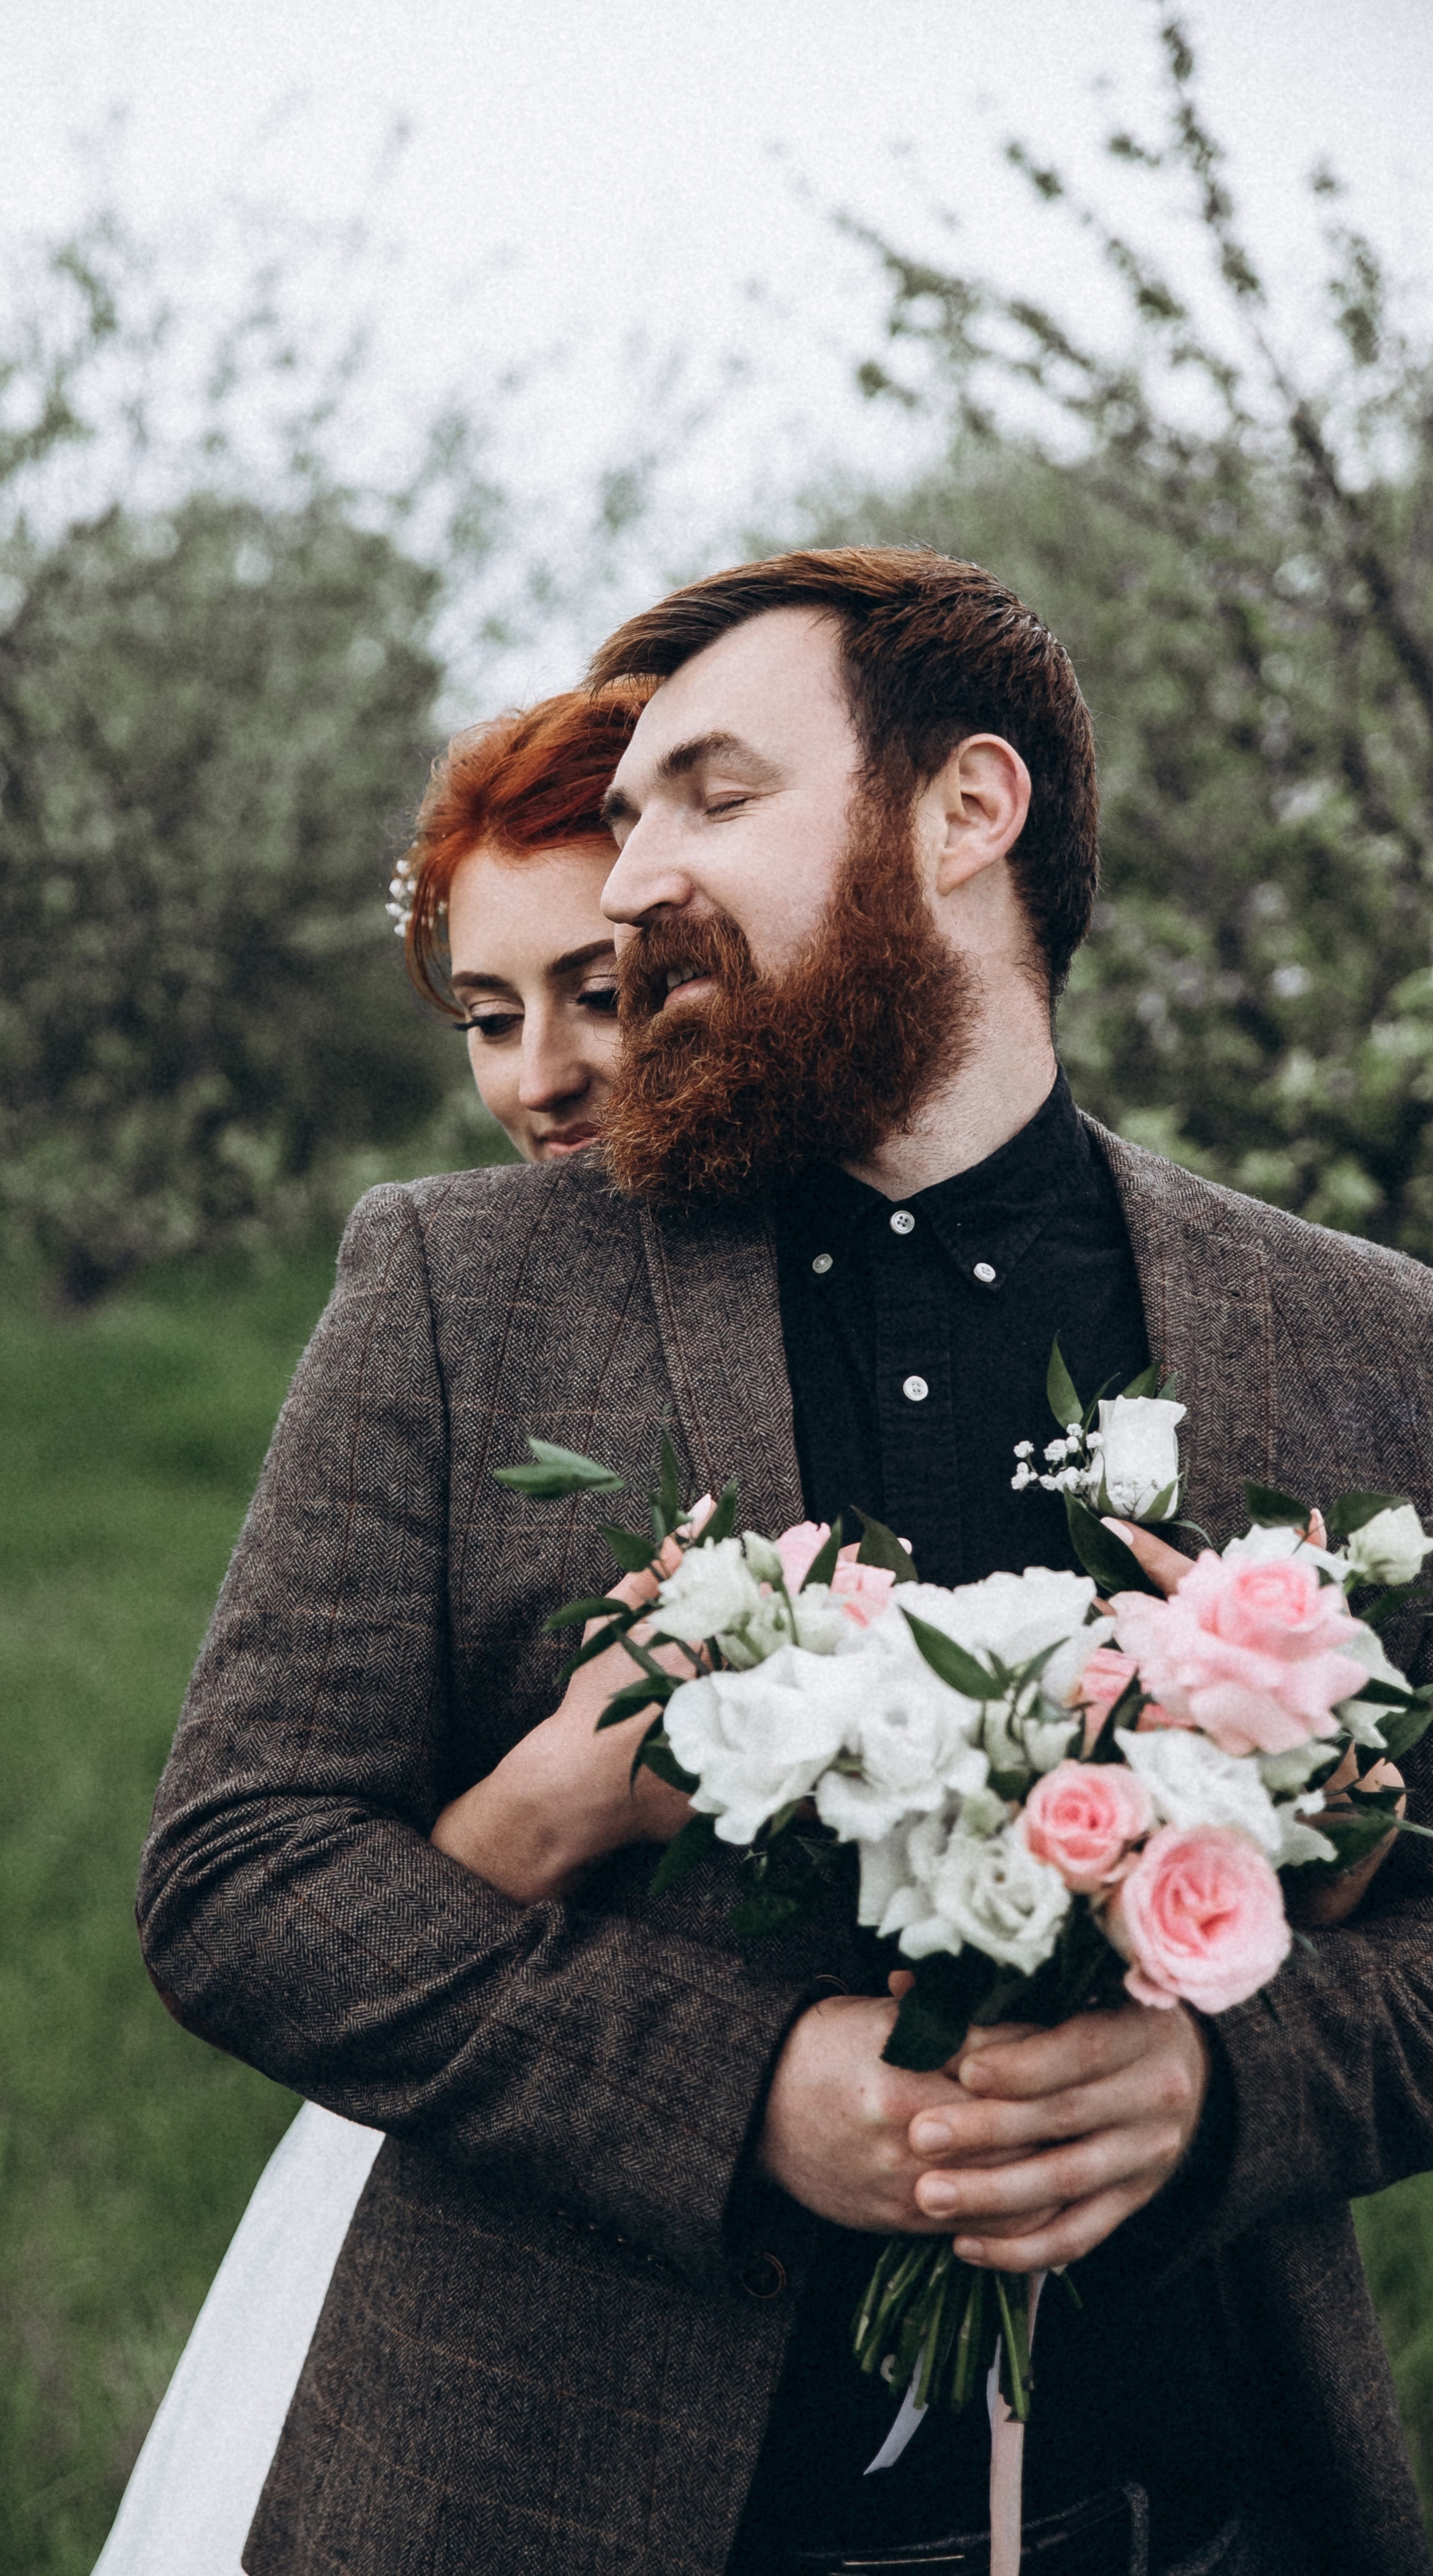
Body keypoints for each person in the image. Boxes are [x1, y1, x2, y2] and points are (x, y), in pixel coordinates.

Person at [138, 549, 1433, 2576]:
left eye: (712, 799)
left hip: (1193, 2508)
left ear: (965, 814)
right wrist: (738, 2093)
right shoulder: (458, 1287)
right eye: (631, 811)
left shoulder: (1366, 1339)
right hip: (570, 2505)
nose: (638, 876)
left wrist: (1216, 2090)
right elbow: (241, 1881)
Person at [93, 684, 653, 2576]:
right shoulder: (442, 1289)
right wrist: (552, 1811)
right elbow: (254, 1876)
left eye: (602, 988)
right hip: (482, 2207)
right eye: (492, 1018)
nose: (539, 1078)